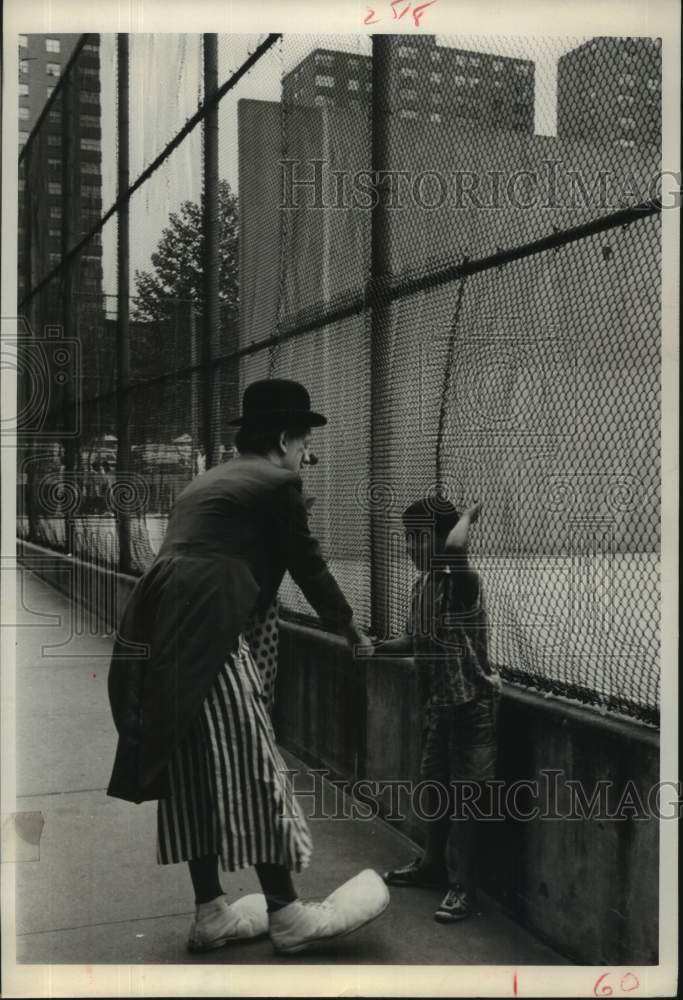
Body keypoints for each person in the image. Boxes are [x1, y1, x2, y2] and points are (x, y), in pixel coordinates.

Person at [106, 379, 389, 955]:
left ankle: (211, 912)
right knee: (252, 762)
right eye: (303, 442)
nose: (305, 455)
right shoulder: (278, 481)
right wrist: (350, 627)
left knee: (192, 771)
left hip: (159, 625)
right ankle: (288, 916)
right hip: (209, 629)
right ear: (284, 438)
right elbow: (306, 564)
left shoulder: (206, 481)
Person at [374, 497, 501, 923]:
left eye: (418, 538)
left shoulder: (462, 581)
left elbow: (456, 552)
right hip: (438, 708)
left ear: (440, 539)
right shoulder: (422, 585)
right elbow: (412, 642)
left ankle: (463, 887)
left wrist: (465, 519)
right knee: (434, 790)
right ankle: (431, 865)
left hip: (471, 708)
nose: (409, 547)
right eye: (407, 537)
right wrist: (371, 648)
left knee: (469, 800)